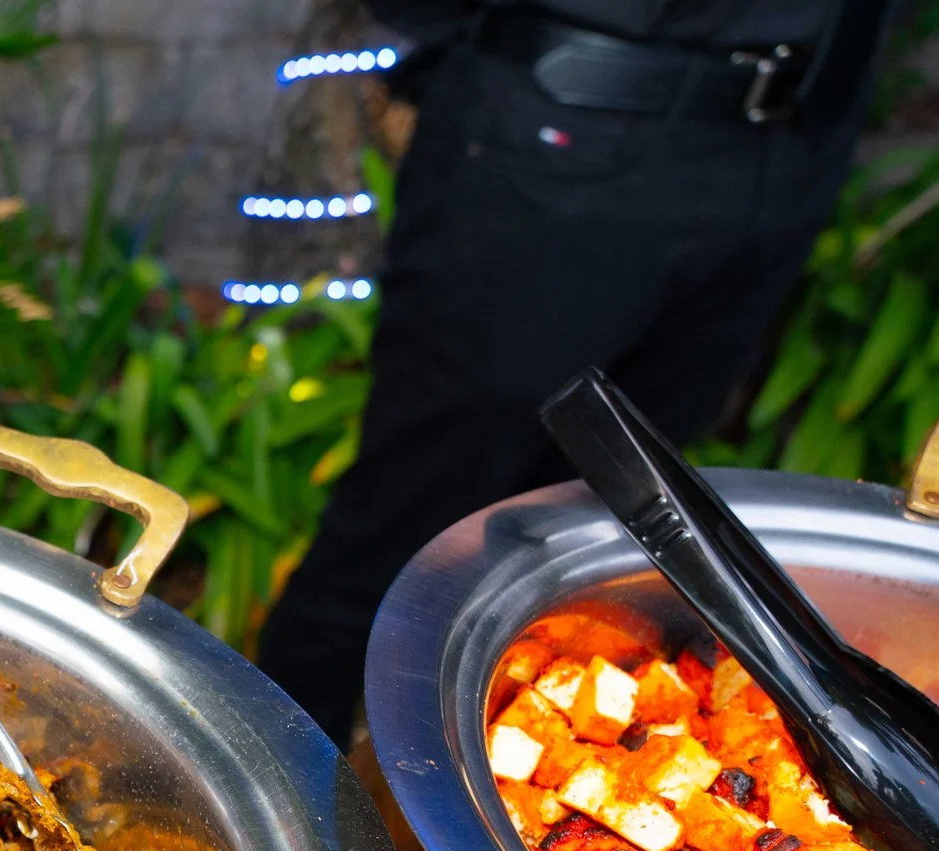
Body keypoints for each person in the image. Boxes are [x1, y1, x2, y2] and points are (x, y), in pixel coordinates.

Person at [257, 0, 896, 741]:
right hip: (568, 126)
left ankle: (495, 815)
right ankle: (277, 811)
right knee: (409, 519)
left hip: (790, 142)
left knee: (615, 537)